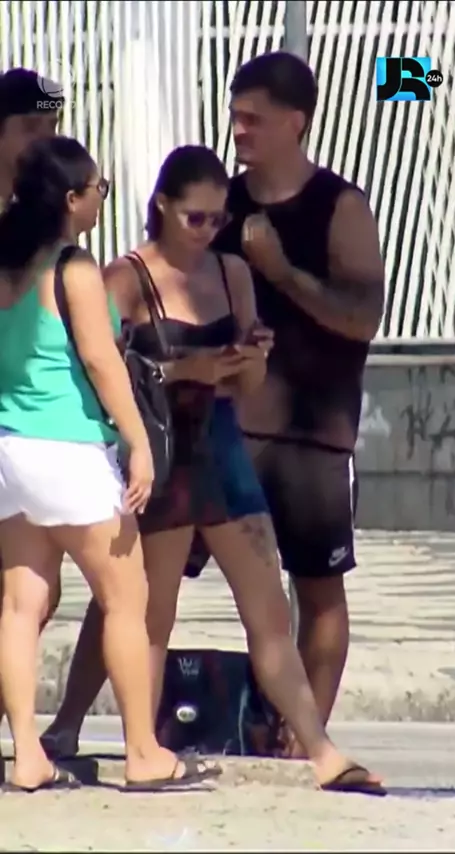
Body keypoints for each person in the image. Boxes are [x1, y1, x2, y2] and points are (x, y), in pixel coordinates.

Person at [41, 144, 384, 793]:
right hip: (163, 454)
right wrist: (182, 371)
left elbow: (248, 385)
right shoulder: (125, 278)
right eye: (194, 218)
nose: (207, 231)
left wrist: (249, 361)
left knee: (268, 614)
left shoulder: (232, 274)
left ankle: (322, 751)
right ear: (163, 207)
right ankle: (113, 739)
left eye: (218, 219)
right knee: (146, 613)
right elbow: (98, 375)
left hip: (221, 447)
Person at [0, 135, 218, 792]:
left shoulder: (7, 266)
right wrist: (138, 441)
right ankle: (142, 752)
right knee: (126, 598)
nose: (102, 198)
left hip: (10, 451)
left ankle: (28, 755)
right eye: (98, 188)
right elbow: (100, 361)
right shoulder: (73, 269)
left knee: (20, 605)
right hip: (70, 450)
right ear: (71, 199)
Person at [215, 51, 386, 750]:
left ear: (297, 122)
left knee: (317, 587)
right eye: (234, 116)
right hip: (225, 428)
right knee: (141, 573)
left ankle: (302, 735)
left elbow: (362, 317)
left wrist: (281, 273)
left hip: (313, 436)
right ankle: (99, 724)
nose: (239, 130)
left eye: (253, 119)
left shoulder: (339, 206)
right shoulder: (221, 204)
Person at [0, 67, 64, 785]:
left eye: (50, 128)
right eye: (28, 128)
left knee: (31, 593)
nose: (41, 142)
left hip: (23, 427)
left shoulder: (37, 217)